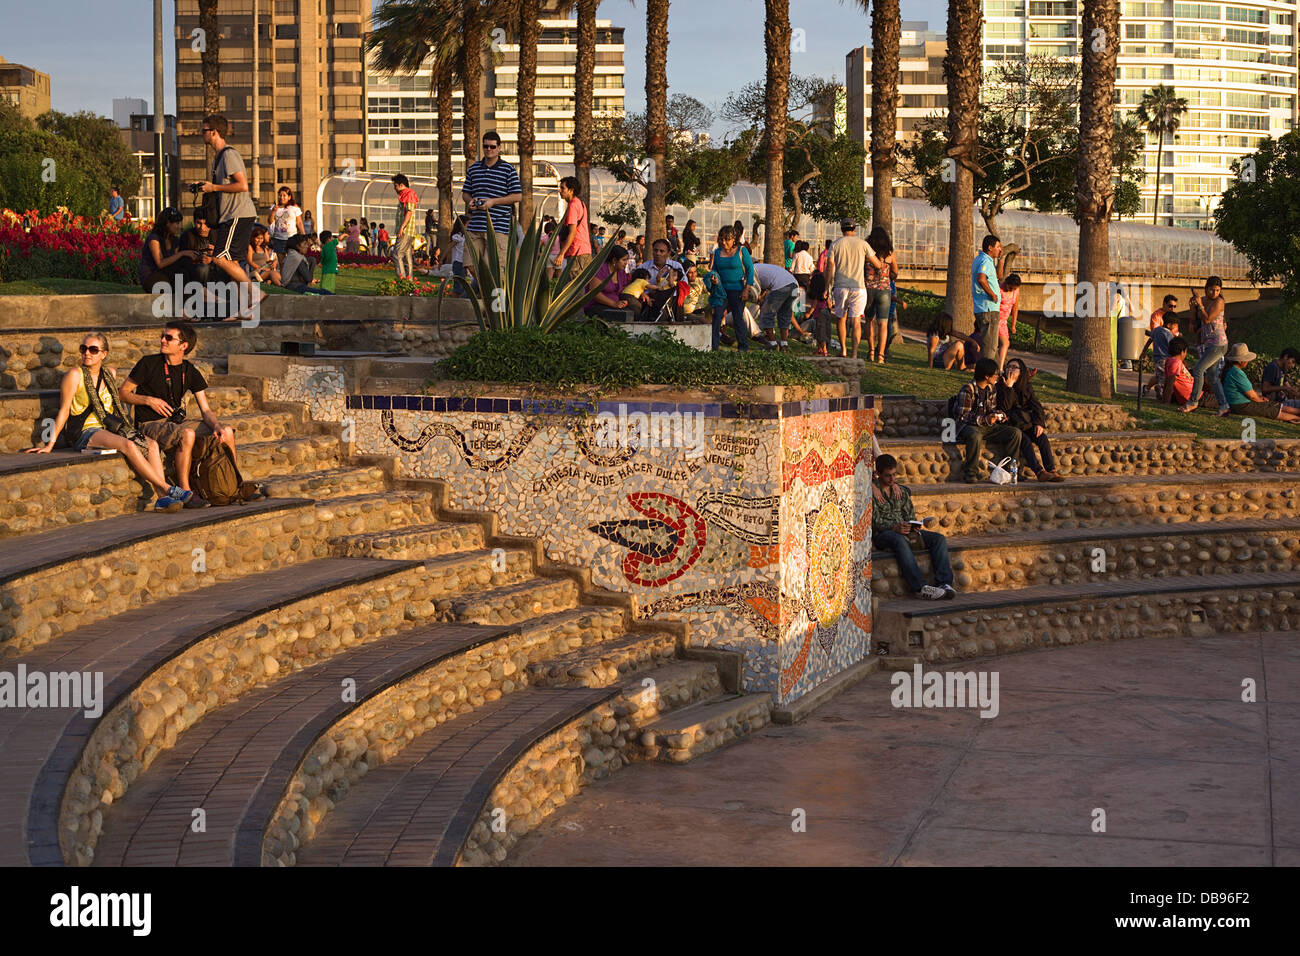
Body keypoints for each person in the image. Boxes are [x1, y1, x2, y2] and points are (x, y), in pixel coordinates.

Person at [26, 333, 189, 512]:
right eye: (84, 349)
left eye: (93, 350)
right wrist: (50, 444)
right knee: (128, 445)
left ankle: (162, 498)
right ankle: (167, 489)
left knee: (152, 445)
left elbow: (115, 405)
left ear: (103, 354)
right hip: (85, 431)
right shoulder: (75, 375)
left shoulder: (109, 373)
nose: (87, 353)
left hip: (109, 427)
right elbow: (65, 410)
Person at [120, 321, 254, 503]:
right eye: (162, 336)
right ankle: (186, 492)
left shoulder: (189, 370)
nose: (162, 340)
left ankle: (235, 483)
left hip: (174, 423)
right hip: (150, 425)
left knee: (227, 432)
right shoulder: (148, 363)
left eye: (168, 338)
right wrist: (148, 400)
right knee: (188, 433)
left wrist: (216, 427)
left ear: (183, 346)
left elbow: (205, 410)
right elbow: (123, 393)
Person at [195, 114, 262, 320]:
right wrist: (204, 187)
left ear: (214, 132)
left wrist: (213, 186)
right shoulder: (218, 158)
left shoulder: (228, 155)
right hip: (230, 216)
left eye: (204, 130)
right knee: (232, 262)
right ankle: (243, 310)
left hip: (237, 215)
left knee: (220, 258)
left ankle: (255, 293)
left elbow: (242, 185)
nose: (202, 134)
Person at [872, 454, 957, 600]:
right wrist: (894, 528)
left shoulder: (902, 491)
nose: (892, 479)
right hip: (884, 534)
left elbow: (910, 515)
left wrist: (913, 525)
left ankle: (944, 583)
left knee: (939, 539)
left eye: (894, 475)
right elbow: (874, 522)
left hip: (905, 530)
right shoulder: (872, 493)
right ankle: (919, 587)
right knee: (899, 540)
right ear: (878, 474)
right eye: (888, 476)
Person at [953, 358, 1026, 484]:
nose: (998, 376)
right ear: (987, 376)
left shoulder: (991, 389)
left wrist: (999, 415)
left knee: (1015, 433)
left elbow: (991, 409)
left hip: (987, 426)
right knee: (975, 435)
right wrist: (985, 419)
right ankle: (971, 473)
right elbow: (963, 416)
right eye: (995, 374)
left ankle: (1011, 471)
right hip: (968, 426)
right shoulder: (968, 390)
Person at [823, 218, 885, 359]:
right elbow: (877, 264)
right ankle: (855, 353)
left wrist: (826, 288)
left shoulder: (835, 244)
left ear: (841, 229)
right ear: (855, 229)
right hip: (858, 287)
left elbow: (829, 267)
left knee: (841, 318)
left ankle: (844, 350)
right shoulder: (863, 244)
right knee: (856, 320)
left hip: (840, 286)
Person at [996, 358, 1064, 482]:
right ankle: (1039, 472)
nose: (1010, 369)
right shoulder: (1000, 386)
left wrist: (1039, 423)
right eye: (1008, 366)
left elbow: (1036, 406)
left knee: (1042, 438)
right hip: (1010, 425)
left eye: (1014, 367)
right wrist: (1009, 388)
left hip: (1024, 423)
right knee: (1025, 440)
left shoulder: (1025, 386)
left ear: (1021, 371)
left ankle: (1051, 470)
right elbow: (1005, 408)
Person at [462, 130, 523, 265]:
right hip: (475, 225)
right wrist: (470, 201)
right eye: (486, 146)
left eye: (492, 146)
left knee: (494, 270)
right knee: (469, 263)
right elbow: (465, 193)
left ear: (499, 148)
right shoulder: (474, 169)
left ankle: (489, 287)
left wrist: (493, 202)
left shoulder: (508, 169)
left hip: (498, 227)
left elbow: (518, 196)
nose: (489, 149)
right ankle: (482, 286)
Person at [1181, 275, 1230, 415]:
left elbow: (1207, 319)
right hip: (1208, 344)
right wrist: (1193, 306)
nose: (1214, 293)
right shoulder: (1202, 300)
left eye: (1217, 290)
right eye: (1211, 290)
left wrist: (1200, 305)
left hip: (1218, 344)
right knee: (1213, 377)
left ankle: (1192, 403)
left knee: (1197, 370)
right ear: (1206, 289)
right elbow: (1193, 322)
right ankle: (1224, 406)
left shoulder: (1219, 302)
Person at [1221, 343, 1300, 422]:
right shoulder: (1237, 373)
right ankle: (1296, 418)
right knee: (1272, 410)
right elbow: (1252, 395)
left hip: (1241, 403)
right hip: (1241, 405)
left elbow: (1248, 392)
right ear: (1241, 361)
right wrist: (1260, 400)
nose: (1248, 361)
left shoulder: (1233, 371)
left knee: (1276, 406)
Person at [706, 225, 754, 351]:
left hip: (738, 290)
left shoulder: (741, 251)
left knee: (738, 318)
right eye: (722, 239)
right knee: (717, 316)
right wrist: (713, 278)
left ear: (734, 240)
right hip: (721, 290)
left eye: (727, 239)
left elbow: (750, 270)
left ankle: (743, 347)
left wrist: (746, 289)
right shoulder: (717, 252)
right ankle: (713, 346)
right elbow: (715, 269)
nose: (724, 242)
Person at [139, 207, 197, 293]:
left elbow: (177, 263)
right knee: (178, 278)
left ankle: (186, 304)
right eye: (177, 223)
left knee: (184, 271)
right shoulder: (154, 239)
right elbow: (160, 263)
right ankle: (200, 292)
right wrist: (182, 253)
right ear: (167, 223)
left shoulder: (175, 240)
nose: (179, 227)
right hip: (152, 276)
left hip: (167, 273)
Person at [864, 226, 896, 364]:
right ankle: (881, 355)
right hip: (884, 290)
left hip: (869, 289)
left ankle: (871, 351)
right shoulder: (890, 253)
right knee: (883, 324)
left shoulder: (867, 252)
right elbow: (895, 272)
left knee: (869, 321)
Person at [553, 176, 593, 278]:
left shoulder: (573, 206)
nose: (559, 190)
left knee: (575, 288)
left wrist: (561, 253)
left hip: (577, 252)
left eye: (562, 188)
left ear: (571, 190)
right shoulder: (581, 204)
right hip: (584, 250)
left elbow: (572, 232)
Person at [754, 261, 800, 349]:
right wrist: (761, 297)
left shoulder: (751, 269)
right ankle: (784, 344)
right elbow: (763, 287)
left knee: (766, 313)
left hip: (781, 286)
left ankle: (772, 343)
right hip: (794, 285)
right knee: (785, 314)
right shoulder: (761, 268)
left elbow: (753, 289)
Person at [585, 245, 636, 320]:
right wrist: (614, 304)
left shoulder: (621, 272)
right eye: (623, 260)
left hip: (615, 306)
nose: (626, 263)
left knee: (634, 313)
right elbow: (595, 293)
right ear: (614, 260)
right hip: (597, 306)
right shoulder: (600, 270)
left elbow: (625, 288)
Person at [971, 234, 1002, 358]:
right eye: (998, 247)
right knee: (990, 346)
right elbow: (981, 279)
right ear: (990, 247)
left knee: (992, 346)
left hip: (983, 308)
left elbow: (999, 276)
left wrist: (1000, 258)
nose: (1000, 249)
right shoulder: (985, 261)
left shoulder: (981, 259)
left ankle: (998, 374)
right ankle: (985, 375)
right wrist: (993, 295)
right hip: (988, 308)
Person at [1143, 314, 1180, 397]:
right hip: (1165, 359)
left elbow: (1149, 340)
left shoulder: (1156, 330)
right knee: (1165, 377)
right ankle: (1161, 390)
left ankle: (1146, 388)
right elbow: (1172, 347)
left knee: (1157, 376)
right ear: (1169, 325)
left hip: (1157, 359)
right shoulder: (1169, 335)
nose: (1176, 327)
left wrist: (1143, 351)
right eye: (1175, 325)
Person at [392, 173, 420, 279]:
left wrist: (402, 227)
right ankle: (409, 282)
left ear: (401, 184)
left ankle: (402, 280)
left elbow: (409, 212)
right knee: (406, 256)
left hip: (406, 231)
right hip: (407, 231)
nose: (395, 188)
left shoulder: (409, 194)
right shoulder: (405, 195)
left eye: (395, 186)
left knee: (397, 254)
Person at [267, 186, 304, 257]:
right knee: (281, 261)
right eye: (280, 195)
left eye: (284, 195)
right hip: (278, 238)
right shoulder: (274, 207)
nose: (282, 197)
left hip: (291, 237)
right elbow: (270, 221)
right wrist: (273, 211)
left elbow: (299, 222)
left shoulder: (294, 207)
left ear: (289, 197)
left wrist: (303, 234)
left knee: (292, 258)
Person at [1161, 337, 1196, 407]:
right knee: (1218, 399)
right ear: (1182, 352)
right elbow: (1170, 381)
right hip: (1193, 396)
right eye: (1186, 351)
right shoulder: (1176, 362)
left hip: (1189, 395)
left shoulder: (1171, 361)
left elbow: (1167, 381)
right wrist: (1166, 402)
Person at [997, 273, 1022, 370]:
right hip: (997, 320)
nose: (1011, 290)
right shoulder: (999, 289)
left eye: (1014, 289)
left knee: (1005, 344)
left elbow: (1015, 307)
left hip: (1004, 322)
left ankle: (1000, 365)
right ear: (1007, 283)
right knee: (1005, 343)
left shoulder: (1016, 291)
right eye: (1010, 287)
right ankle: (1000, 368)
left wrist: (1013, 325)